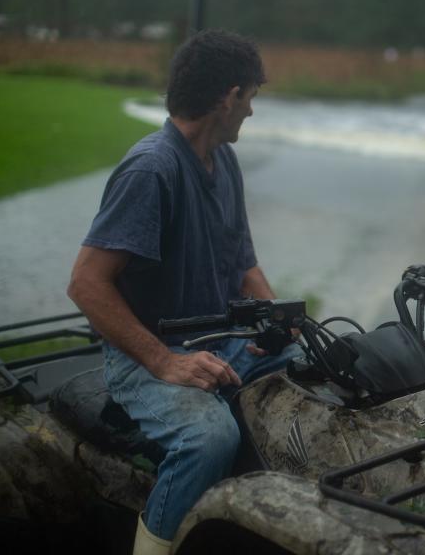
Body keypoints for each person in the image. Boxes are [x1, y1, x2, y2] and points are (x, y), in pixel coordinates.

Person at [67, 30, 300, 555]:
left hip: (223, 339)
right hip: (146, 354)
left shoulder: (225, 161)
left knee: (309, 364)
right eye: (251, 99)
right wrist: (162, 362)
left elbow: (242, 261)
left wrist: (275, 321)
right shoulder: (153, 169)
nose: (252, 113)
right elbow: (85, 282)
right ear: (229, 96)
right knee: (210, 438)